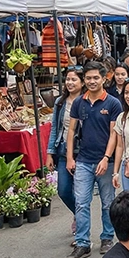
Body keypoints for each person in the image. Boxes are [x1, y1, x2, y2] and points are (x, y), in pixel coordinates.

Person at [66, 62, 125, 258]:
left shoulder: (112, 103)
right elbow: (72, 131)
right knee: (81, 202)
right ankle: (82, 243)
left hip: (105, 163)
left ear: (103, 79)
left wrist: (106, 158)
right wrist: (69, 157)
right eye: (88, 78)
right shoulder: (78, 103)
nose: (92, 81)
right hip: (83, 160)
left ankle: (107, 238)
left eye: (95, 78)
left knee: (108, 202)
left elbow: (114, 135)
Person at [46, 66, 84, 224]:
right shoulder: (60, 102)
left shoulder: (87, 101)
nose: (70, 82)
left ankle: (82, 225)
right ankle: (81, 216)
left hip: (83, 151)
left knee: (82, 193)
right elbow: (55, 127)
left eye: (74, 79)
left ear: (82, 82)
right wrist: (49, 153)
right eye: (68, 79)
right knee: (63, 190)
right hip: (62, 150)